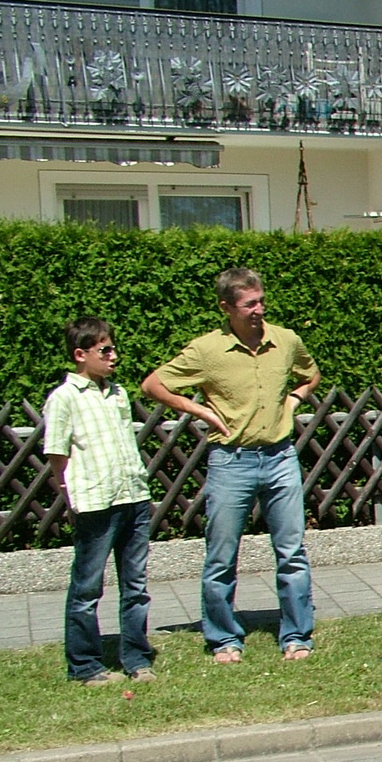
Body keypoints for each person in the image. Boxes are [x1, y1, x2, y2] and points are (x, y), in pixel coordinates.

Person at [142, 269, 320, 664]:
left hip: (280, 457)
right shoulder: (207, 350)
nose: (259, 310)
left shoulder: (286, 340)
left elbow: (311, 375)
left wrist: (294, 399)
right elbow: (153, 384)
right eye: (249, 304)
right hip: (230, 461)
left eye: (261, 301)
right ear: (226, 307)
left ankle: (297, 635)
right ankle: (223, 639)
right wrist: (200, 411)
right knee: (221, 556)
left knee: (291, 552)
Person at [43, 317, 156, 686]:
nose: (113, 356)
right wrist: (70, 498)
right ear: (81, 355)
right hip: (95, 503)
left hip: (132, 496)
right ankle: (85, 665)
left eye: (113, 348)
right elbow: (57, 455)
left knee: (135, 586)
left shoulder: (118, 393)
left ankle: (137, 658)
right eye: (104, 350)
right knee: (87, 588)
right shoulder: (64, 398)